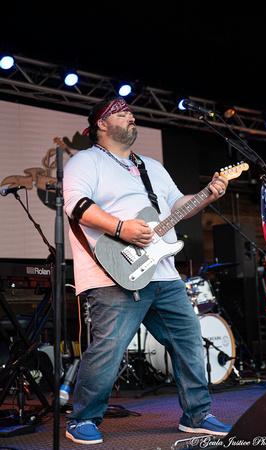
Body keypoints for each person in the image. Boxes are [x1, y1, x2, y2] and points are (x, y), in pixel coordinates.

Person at [63, 96, 231, 445]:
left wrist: (207, 195)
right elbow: (76, 206)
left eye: (131, 113)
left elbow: (177, 206)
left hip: (164, 273)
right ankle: (82, 418)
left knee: (187, 342)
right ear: (102, 125)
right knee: (108, 348)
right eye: (122, 114)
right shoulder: (86, 160)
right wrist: (121, 227)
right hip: (113, 274)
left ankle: (197, 415)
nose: (131, 117)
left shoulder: (151, 166)